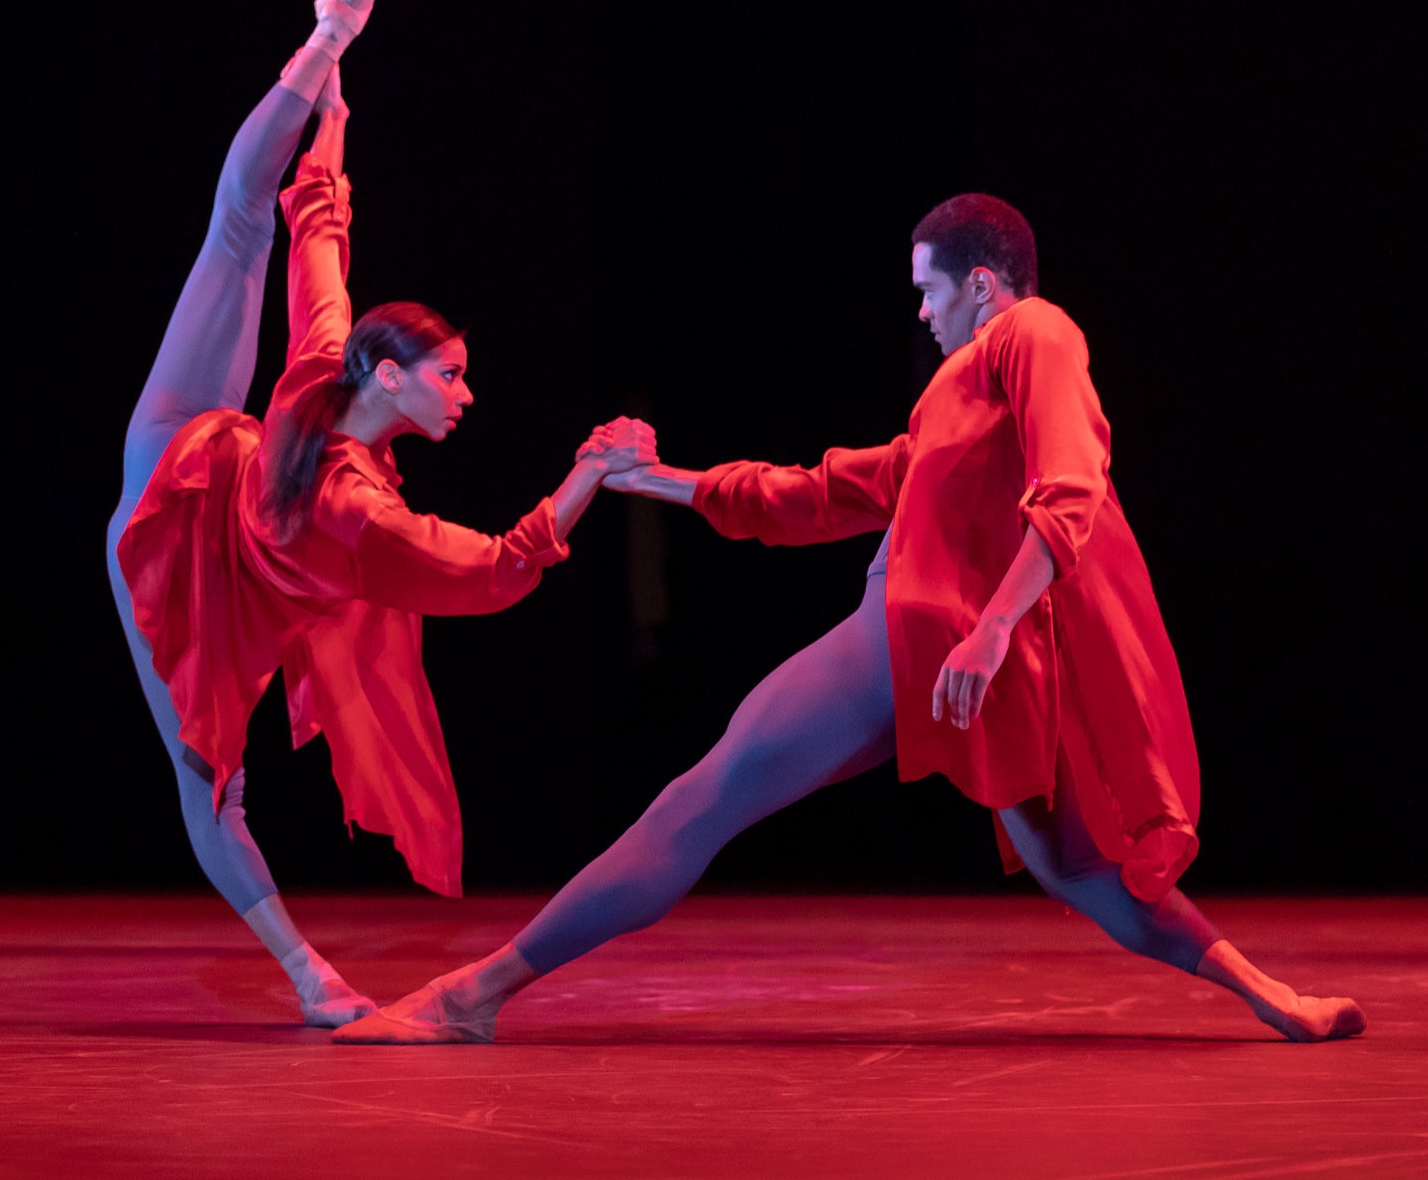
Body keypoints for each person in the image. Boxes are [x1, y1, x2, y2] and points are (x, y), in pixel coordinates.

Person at [338, 193, 1363, 1045]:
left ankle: (473, 996)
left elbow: (1072, 487)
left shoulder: (1031, 334)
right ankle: (1267, 996)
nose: (920, 312)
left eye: (927, 289)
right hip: (963, 659)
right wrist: (649, 481)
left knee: (699, 800)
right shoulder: (954, 401)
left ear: (980, 283)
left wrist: (995, 623)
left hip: (923, 640)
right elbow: (823, 493)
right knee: (1076, 866)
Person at [106, 0, 654, 1026]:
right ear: (389, 373)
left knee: (240, 231)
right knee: (210, 778)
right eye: (449, 374)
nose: (466, 393)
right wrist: (587, 478)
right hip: (171, 521)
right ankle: (313, 980)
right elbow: (493, 567)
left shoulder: (330, 378)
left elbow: (321, 232)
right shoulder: (357, 498)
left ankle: (322, 36)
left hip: (206, 513)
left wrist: (332, 101)